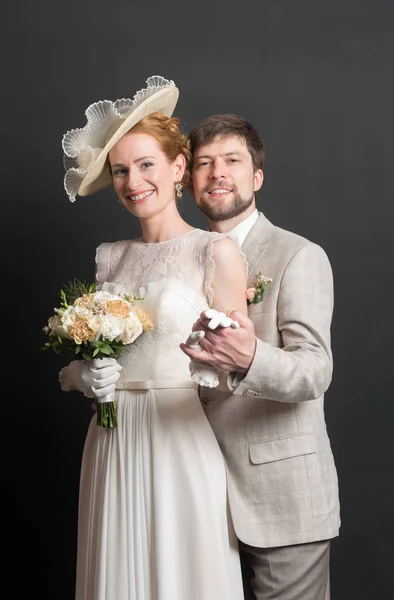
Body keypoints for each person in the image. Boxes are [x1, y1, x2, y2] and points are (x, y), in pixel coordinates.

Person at [58, 77, 248, 600]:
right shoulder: (110, 257)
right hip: (111, 438)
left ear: (178, 168)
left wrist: (210, 361)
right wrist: (83, 375)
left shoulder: (216, 252)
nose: (133, 181)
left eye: (146, 165)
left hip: (178, 436)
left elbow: (238, 365)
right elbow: (86, 355)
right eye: (121, 170)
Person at [180, 113, 340, 600]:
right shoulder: (180, 257)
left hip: (282, 493)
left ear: (257, 176)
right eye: (204, 163)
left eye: (232, 160)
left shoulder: (298, 255)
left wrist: (251, 358)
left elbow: (315, 371)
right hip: (193, 490)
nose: (217, 173)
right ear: (189, 182)